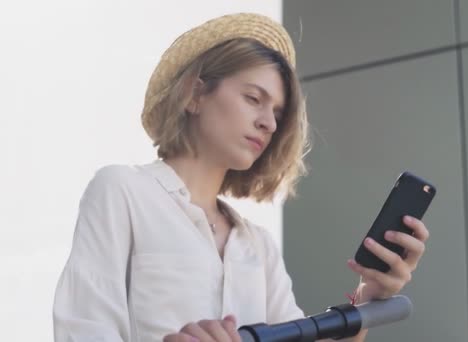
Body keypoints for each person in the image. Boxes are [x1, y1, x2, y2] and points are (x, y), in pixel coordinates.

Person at [53, 12, 429, 342]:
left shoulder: (258, 245)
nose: (268, 122)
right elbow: (84, 331)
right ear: (194, 94)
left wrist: (366, 297)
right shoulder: (122, 191)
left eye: (278, 113)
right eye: (253, 98)